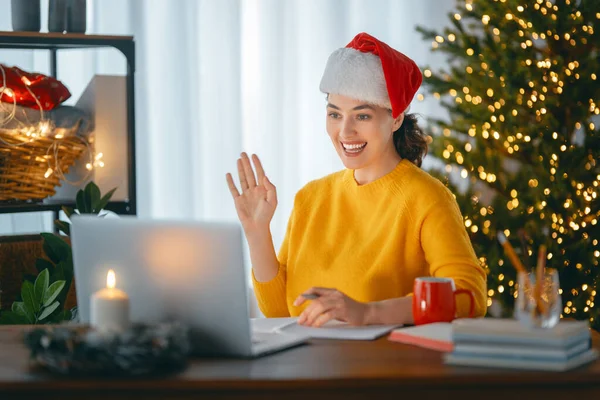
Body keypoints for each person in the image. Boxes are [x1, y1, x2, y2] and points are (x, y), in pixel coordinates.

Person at [226, 32, 487, 327]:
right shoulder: (310, 198)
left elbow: (469, 296)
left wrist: (368, 313)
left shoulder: (426, 197)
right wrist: (258, 233)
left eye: (362, 116)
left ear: (396, 118)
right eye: (335, 114)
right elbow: (280, 313)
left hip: (384, 366)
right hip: (311, 365)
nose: (345, 131)